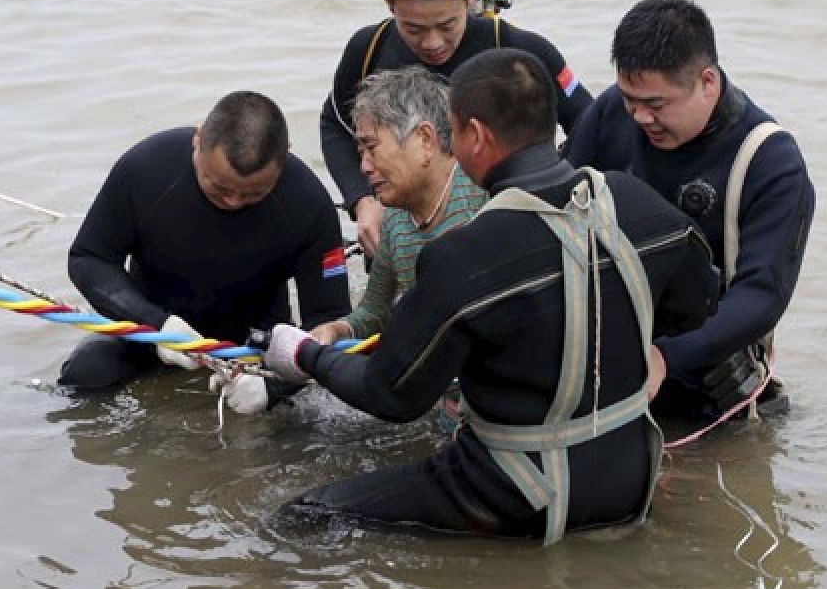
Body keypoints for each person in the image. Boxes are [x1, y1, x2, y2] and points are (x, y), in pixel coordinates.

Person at [261, 48, 718, 544]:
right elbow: (699, 304)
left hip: (518, 493)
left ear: (474, 136)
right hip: (630, 479)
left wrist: (305, 354)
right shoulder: (636, 202)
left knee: (306, 515)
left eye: (454, 132)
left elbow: (389, 394)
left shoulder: (464, 253)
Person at [564, 0, 815, 421]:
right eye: (631, 99)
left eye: (656, 105)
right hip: (608, 354)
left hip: (706, 379)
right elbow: (558, 200)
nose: (640, 117)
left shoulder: (771, 162)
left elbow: (761, 295)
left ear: (707, 83)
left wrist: (665, 357)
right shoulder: (611, 112)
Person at [60, 91, 351, 412]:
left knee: (298, 413)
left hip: (254, 345)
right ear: (198, 141)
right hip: (152, 331)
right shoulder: (145, 170)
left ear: (284, 161)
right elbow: (89, 258)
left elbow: (328, 322)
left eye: (254, 193)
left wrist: (274, 385)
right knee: (86, 373)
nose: (233, 202)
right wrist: (156, 325)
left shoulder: (309, 203)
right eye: (220, 187)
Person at [320, 0, 594, 259]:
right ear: (389, 4)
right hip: (402, 235)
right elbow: (335, 125)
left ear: (469, 0)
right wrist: (362, 200)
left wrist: (551, 195)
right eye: (413, 29)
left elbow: (592, 124)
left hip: (505, 231)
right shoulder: (368, 49)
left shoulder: (521, 50)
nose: (433, 43)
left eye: (447, 25)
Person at [310, 66, 487, 346]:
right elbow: (375, 313)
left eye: (372, 147)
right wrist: (335, 330)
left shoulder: (485, 194)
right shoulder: (394, 219)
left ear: (425, 140)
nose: (364, 167)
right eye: (359, 152)